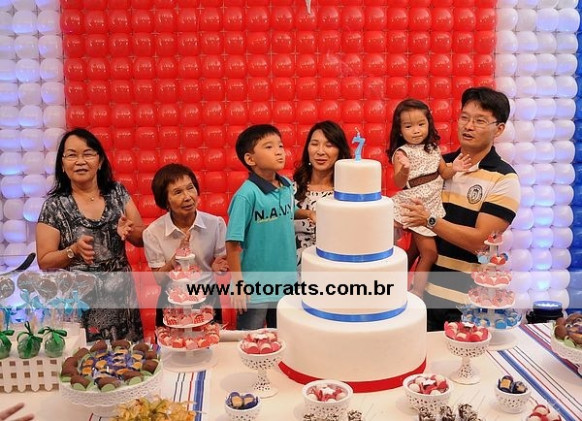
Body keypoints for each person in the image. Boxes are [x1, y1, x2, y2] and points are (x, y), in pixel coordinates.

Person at [400, 87, 521, 331]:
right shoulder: (439, 165)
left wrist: (430, 220)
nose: (469, 126)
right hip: (424, 299)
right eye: (464, 117)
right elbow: (417, 230)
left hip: (469, 306)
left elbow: (481, 242)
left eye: (480, 121)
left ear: (499, 129)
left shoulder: (504, 178)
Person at [36, 128, 144, 342]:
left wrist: (129, 231)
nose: (80, 161)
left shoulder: (117, 192)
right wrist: (73, 251)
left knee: (129, 358)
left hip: (121, 299)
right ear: (62, 164)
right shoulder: (54, 206)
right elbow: (45, 260)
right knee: (84, 360)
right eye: (72, 155)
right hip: (79, 305)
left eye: (87, 154)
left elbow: (142, 239)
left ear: (100, 161)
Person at [387, 99, 471, 299]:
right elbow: (399, 182)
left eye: (421, 124)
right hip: (415, 206)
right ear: (400, 130)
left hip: (431, 204)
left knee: (414, 251)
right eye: (408, 126)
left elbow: (444, 172)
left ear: (428, 124)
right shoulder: (402, 153)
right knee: (430, 253)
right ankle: (417, 291)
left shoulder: (433, 149)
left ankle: (393, 284)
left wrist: (454, 168)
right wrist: (404, 169)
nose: (416, 130)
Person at [226, 124, 297, 330]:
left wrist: (309, 214)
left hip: (286, 283)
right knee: (250, 338)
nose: (279, 151)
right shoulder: (246, 195)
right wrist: (238, 284)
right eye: (269, 147)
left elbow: (289, 211)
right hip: (255, 288)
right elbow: (232, 244)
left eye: (280, 146)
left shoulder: (286, 185)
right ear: (250, 159)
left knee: (283, 337)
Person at [143, 164, 228, 328]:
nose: (188, 197)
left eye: (190, 188)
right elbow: (159, 280)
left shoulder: (215, 224)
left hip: (208, 299)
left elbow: (222, 267)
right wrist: (176, 259)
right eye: (178, 192)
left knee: (210, 343)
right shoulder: (153, 232)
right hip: (172, 303)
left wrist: (220, 267)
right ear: (165, 201)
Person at [293, 121, 352, 268]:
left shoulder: (349, 194)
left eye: (329, 145)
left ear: (340, 151)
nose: (320, 151)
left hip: (334, 270)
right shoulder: (289, 190)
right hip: (293, 272)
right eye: (314, 144)